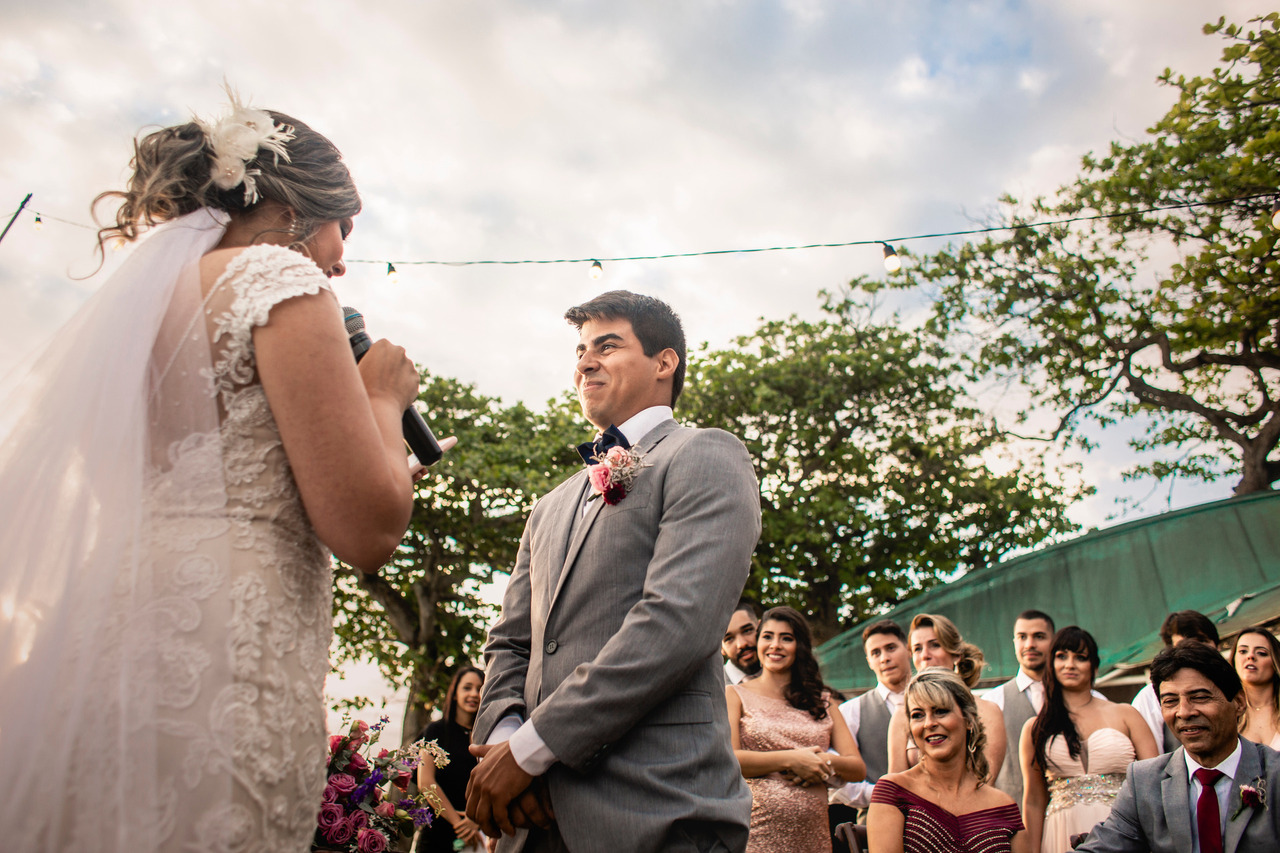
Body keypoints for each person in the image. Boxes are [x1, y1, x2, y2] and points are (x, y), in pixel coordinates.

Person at [0, 91, 444, 851]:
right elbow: (367, 528)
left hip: (101, 632)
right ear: (293, 206)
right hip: (226, 642)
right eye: (345, 227)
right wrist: (381, 397)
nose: (341, 258)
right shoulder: (280, 279)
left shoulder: (135, 311)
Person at [466, 291, 761, 853]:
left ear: (664, 362)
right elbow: (509, 641)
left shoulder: (705, 455)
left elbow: (676, 623)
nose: (584, 362)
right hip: (528, 821)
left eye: (607, 345)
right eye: (580, 350)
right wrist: (505, 743)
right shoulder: (550, 504)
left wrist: (534, 748)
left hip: (656, 810)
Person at [1076, 641, 1280, 853]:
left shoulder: (1274, 774)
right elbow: (1105, 846)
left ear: (1238, 702)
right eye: (1170, 701)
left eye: (1199, 697)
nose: (1184, 712)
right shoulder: (1145, 782)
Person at [728, 606, 866, 853]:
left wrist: (821, 762)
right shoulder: (735, 695)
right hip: (758, 835)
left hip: (814, 838)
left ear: (799, 646)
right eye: (768, 636)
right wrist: (793, 759)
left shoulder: (823, 701)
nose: (775, 645)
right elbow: (731, 760)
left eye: (786, 638)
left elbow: (857, 768)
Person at [1019, 627, 1157, 853]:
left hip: (1121, 828)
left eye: (1080, 658)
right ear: (1051, 664)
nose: (1070, 664)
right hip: (1059, 832)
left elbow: (1152, 782)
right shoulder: (1035, 728)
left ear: (1094, 665)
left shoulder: (1126, 714)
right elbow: (1033, 800)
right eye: (1061, 656)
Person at [868, 669, 1029, 853]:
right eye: (918, 715)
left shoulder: (1003, 806)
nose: (929, 723)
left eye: (941, 711)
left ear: (969, 720)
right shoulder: (893, 792)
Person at [887, 614, 1006, 780]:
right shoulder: (901, 715)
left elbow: (987, 780)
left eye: (935, 645)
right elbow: (895, 785)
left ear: (956, 654)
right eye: (917, 649)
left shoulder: (987, 711)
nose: (925, 655)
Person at [831, 620, 910, 825]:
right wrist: (885, 795)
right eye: (876, 653)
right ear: (868, 661)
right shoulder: (851, 710)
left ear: (907, 649)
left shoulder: (936, 700)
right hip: (876, 825)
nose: (885, 658)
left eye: (891, 648)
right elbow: (840, 781)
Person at [990, 610, 1057, 806]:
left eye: (1039, 636)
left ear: (1054, 641)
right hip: (1015, 821)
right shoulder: (994, 700)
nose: (1030, 645)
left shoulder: (1082, 699)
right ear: (1014, 642)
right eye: (1022, 637)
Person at [417, 666, 487, 852]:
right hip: (437, 833)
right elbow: (425, 783)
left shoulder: (488, 735)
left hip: (479, 836)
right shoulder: (435, 731)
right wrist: (459, 824)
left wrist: (475, 821)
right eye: (467, 687)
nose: (474, 694)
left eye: (480, 689)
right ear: (455, 693)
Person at [1132, 610, 1219, 752]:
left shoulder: (1234, 687)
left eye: (1202, 641)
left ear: (1217, 645)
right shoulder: (1151, 696)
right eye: (1184, 645)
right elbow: (1151, 759)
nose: (1195, 650)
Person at [1229, 626, 1280, 750]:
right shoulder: (1224, 712)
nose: (1250, 656)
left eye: (1261, 653)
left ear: (1275, 661)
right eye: (1243, 651)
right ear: (1234, 659)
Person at [724, 600, 763, 684]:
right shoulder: (710, 687)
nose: (741, 644)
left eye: (747, 631)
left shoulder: (792, 674)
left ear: (761, 628)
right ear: (720, 648)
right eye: (729, 639)